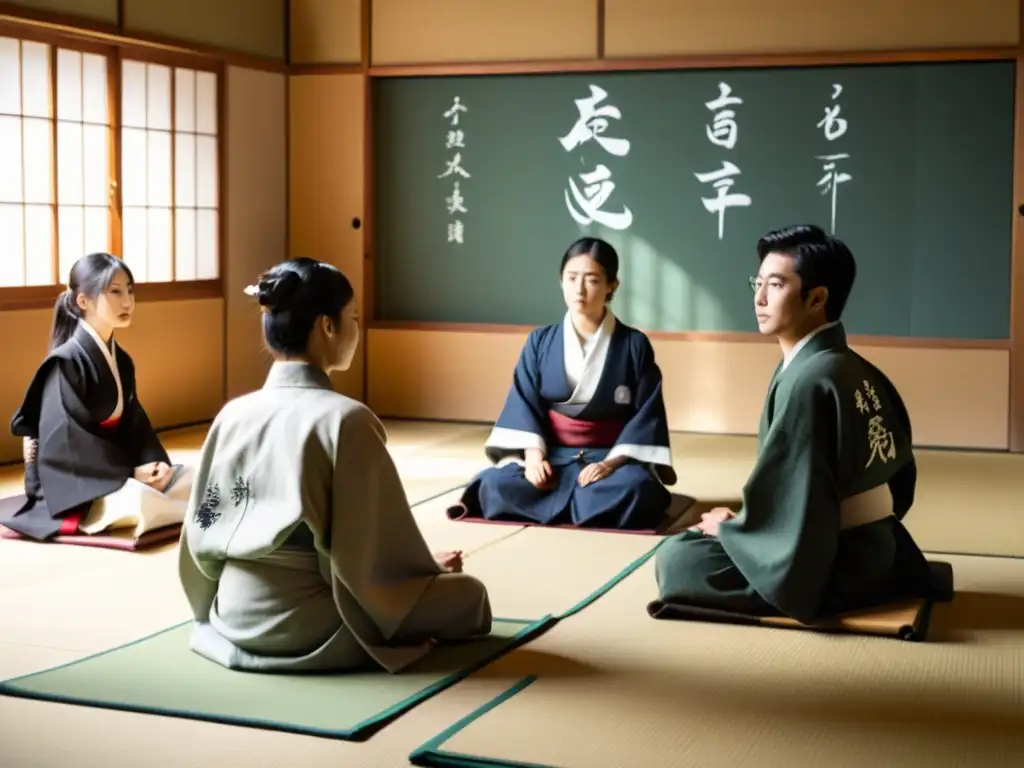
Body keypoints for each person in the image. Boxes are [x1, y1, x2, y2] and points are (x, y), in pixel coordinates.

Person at [177, 257, 492, 674]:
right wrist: (426, 569)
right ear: (328, 326)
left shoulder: (232, 414)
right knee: (469, 598)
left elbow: (202, 529)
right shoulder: (345, 419)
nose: (357, 330)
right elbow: (361, 557)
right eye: (354, 318)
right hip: (314, 627)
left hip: (231, 616)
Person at [651, 225, 950, 625]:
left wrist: (734, 529)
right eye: (757, 283)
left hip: (835, 560)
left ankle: (835, 586)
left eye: (775, 285)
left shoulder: (812, 380)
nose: (758, 298)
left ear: (817, 298)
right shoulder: (851, 366)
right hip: (878, 544)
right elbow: (899, 477)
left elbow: (801, 501)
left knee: (678, 560)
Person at [449, 237, 677, 530]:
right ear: (561, 281)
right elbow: (524, 403)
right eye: (572, 278)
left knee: (636, 488)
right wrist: (533, 458)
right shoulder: (540, 341)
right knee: (492, 483)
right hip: (551, 458)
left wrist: (610, 464)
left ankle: (567, 501)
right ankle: (580, 504)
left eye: (592, 279)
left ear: (612, 286)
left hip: (611, 460)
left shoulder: (633, 344)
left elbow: (647, 414)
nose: (579, 289)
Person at [5, 253, 189, 541]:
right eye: (114, 291)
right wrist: (129, 473)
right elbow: (67, 442)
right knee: (142, 499)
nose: (127, 301)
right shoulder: (64, 364)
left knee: (189, 479)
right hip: (73, 484)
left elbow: (135, 424)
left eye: (130, 290)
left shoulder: (122, 361)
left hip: (110, 472)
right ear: (83, 301)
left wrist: (154, 463)